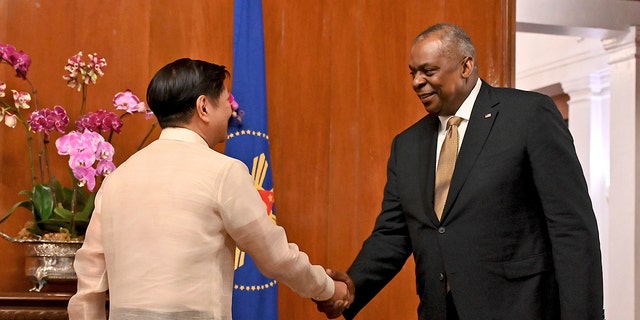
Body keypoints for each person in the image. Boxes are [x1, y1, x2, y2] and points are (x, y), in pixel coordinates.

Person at [316, 23, 604, 320]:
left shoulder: (529, 115)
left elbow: (572, 228)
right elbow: (392, 233)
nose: (417, 82)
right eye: (413, 72)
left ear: (466, 66)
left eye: (428, 71)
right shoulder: (407, 145)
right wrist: (352, 286)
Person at [67, 58, 352, 320]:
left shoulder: (118, 179)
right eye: (226, 100)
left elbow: (90, 284)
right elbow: (275, 257)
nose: (231, 109)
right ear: (204, 107)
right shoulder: (224, 172)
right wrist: (329, 289)